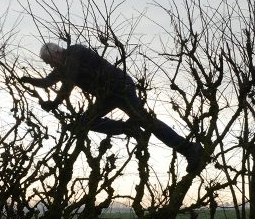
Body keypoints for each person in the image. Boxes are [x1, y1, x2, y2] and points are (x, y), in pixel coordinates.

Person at [19, 43, 203, 171]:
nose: (49, 65)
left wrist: (55, 103)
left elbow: (70, 80)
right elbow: (46, 82)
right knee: (86, 121)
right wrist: (27, 80)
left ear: (57, 54)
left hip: (121, 88)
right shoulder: (62, 67)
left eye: (49, 61)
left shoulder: (75, 52)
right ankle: (127, 127)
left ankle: (190, 149)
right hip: (107, 95)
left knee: (147, 122)